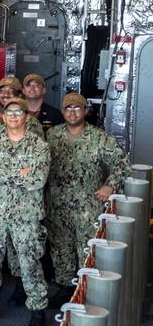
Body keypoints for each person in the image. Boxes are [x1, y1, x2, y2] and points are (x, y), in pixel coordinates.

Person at [45, 92, 131, 307]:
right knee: (60, 249)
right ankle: (65, 289)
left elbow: (122, 162)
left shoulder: (98, 137)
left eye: (77, 108)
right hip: (57, 204)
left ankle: (87, 291)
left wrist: (109, 185)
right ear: (63, 111)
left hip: (87, 206)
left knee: (86, 249)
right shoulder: (52, 135)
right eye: (68, 109)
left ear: (85, 111)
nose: (72, 113)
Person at [0, 97, 50, 326]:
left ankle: (37, 310)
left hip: (26, 216)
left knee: (29, 262)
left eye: (19, 112)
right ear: (3, 117)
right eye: (9, 113)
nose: (14, 116)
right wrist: (21, 172)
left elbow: (39, 179)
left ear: (27, 117)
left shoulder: (40, 146)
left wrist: (5, 173)